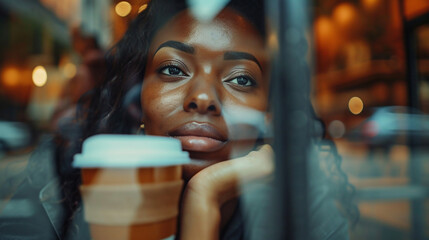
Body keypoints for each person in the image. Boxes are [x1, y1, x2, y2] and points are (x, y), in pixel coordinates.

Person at [0, 0, 355, 239]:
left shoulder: (301, 207)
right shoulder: (58, 194)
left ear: (269, 113)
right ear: (137, 99)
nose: (202, 98)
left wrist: (205, 197)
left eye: (241, 79)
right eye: (173, 69)